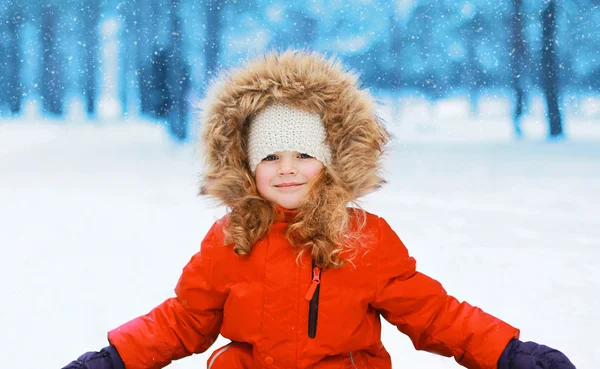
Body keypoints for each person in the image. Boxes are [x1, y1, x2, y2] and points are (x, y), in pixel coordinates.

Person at [62, 50, 576, 369]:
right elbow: (185, 319)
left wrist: (508, 352)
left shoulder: (364, 239)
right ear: (246, 166)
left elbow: (432, 314)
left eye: (304, 154)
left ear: (329, 162)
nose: (288, 169)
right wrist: (115, 358)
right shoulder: (229, 239)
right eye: (271, 157)